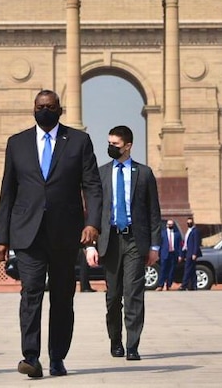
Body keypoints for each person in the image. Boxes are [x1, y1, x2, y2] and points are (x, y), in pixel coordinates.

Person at [0, 89, 103, 378]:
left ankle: (57, 357)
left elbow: (92, 185)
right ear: (33, 108)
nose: (45, 110)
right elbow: (8, 191)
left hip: (66, 233)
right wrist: (1, 236)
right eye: (40, 106)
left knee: (62, 297)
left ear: (60, 109)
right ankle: (31, 356)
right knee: (30, 292)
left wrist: (92, 223)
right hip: (27, 232)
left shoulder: (79, 141)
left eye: (50, 106)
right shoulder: (17, 143)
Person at [87, 125, 161, 361]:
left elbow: (153, 213)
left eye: (115, 145)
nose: (110, 148)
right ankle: (115, 340)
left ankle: (132, 345)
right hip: (109, 241)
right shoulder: (101, 173)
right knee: (113, 297)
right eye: (108, 143)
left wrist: (155, 246)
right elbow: (93, 211)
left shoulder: (145, 174)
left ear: (128, 146)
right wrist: (90, 245)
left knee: (134, 294)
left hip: (134, 241)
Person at [156, 219, 182, 291]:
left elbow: (179, 245)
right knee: (163, 270)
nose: (170, 225)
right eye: (169, 224)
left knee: (171, 270)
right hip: (164, 254)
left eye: (171, 224)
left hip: (173, 254)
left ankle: (169, 285)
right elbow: (159, 245)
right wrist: (158, 254)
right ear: (166, 225)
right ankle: (160, 285)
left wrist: (180, 255)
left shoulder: (177, 234)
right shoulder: (162, 234)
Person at [179, 217, 201, 290]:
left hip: (191, 253)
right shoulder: (188, 231)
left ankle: (184, 285)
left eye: (190, 222)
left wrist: (194, 253)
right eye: (188, 223)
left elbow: (196, 243)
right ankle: (193, 285)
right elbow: (185, 243)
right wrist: (182, 253)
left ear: (193, 222)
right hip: (187, 252)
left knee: (187, 269)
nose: (189, 224)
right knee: (192, 270)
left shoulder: (195, 231)